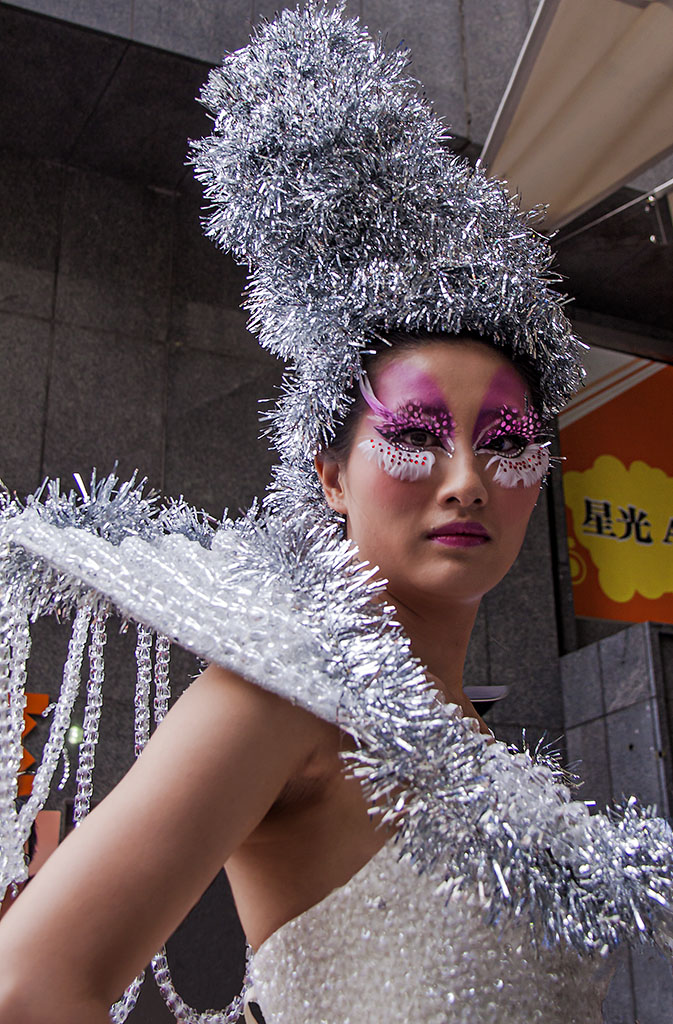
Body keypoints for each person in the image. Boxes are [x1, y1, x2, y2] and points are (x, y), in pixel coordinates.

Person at [0, 4, 671, 1023]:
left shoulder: (491, 759)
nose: (464, 479)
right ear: (327, 474)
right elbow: (29, 981)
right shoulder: (285, 697)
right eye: (413, 435)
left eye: (503, 441)